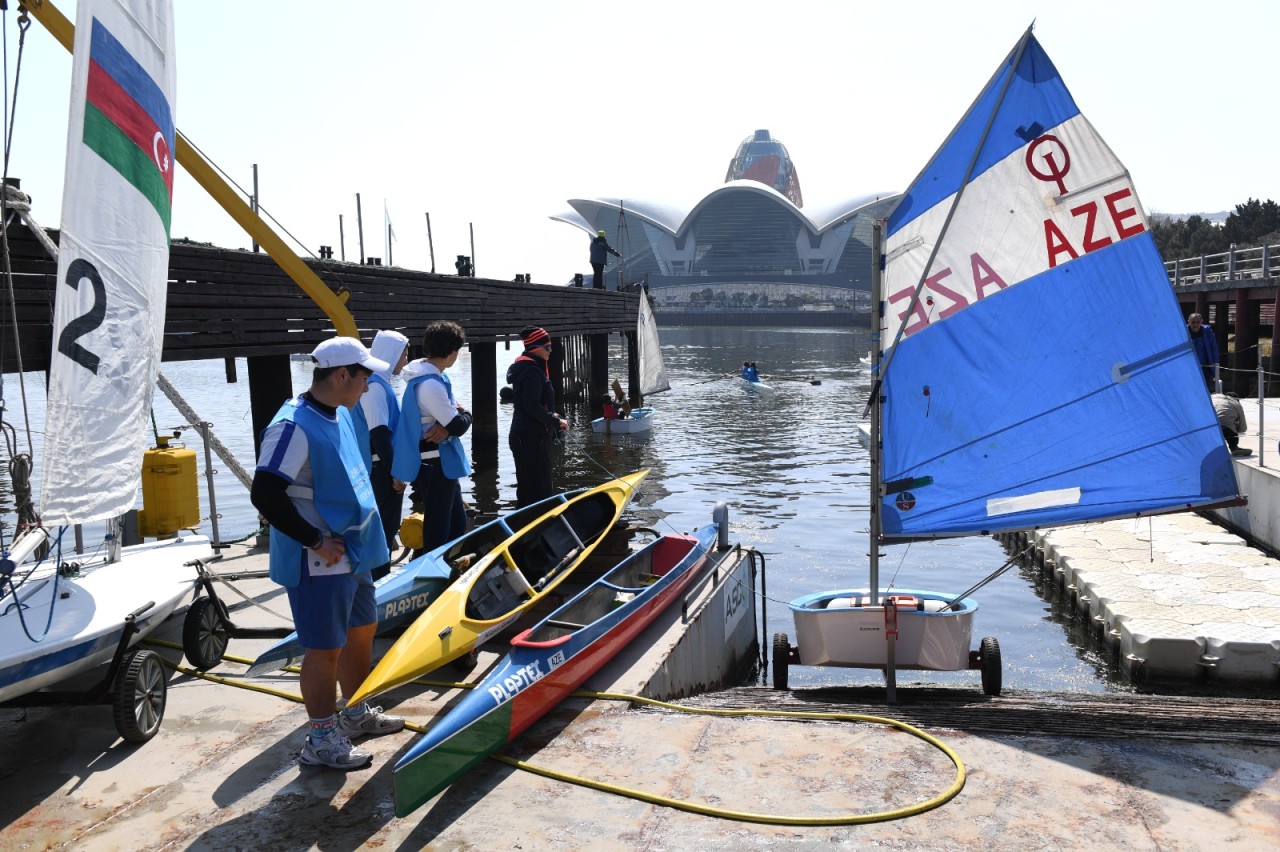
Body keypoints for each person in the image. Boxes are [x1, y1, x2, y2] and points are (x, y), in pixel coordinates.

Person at [250, 337, 403, 770]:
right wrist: (313, 540)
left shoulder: (338, 413)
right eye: (364, 376)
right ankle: (319, 739)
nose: (369, 385)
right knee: (324, 647)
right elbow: (265, 492)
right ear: (342, 375)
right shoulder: (292, 425)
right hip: (321, 558)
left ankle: (354, 712)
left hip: (352, 551)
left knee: (362, 628)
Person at [391, 321, 472, 557]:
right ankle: (427, 575)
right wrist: (464, 413)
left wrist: (449, 424)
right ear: (453, 352)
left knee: (456, 523)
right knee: (439, 527)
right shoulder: (429, 384)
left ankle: (443, 568)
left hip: (441, 462)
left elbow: (450, 424)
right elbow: (458, 424)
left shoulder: (428, 376)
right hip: (434, 463)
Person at [359, 329, 410, 570]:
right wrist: (396, 473)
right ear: (392, 354)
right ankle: (378, 581)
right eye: (404, 355)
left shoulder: (381, 382)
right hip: (380, 468)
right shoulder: (375, 387)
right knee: (384, 528)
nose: (406, 360)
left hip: (384, 465)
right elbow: (378, 433)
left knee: (388, 528)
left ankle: (381, 574)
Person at [507, 325, 568, 507]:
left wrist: (551, 415)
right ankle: (535, 531)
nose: (551, 351)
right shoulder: (532, 370)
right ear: (535, 348)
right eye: (547, 347)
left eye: (551, 347)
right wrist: (556, 421)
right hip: (531, 438)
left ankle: (526, 529)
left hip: (525, 435)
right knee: (538, 492)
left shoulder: (528, 367)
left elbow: (535, 404)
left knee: (528, 490)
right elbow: (531, 406)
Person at [1211, 392, 1252, 457]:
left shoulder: (1212, 399)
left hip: (1208, 428)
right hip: (1226, 429)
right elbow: (1243, 428)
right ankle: (1234, 448)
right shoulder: (1236, 404)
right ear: (1237, 399)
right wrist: (1235, 427)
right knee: (1230, 430)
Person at [1187, 313, 1219, 391]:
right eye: (1193, 322)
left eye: (1198, 322)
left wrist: (1216, 363)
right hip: (1189, 366)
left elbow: (1214, 348)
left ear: (1201, 321)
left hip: (1205, 366)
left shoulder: (1207, 331)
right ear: (1189, 322)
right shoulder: (1184, 331)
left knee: (1205, 388)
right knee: (1191, 388)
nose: (1195, 324)